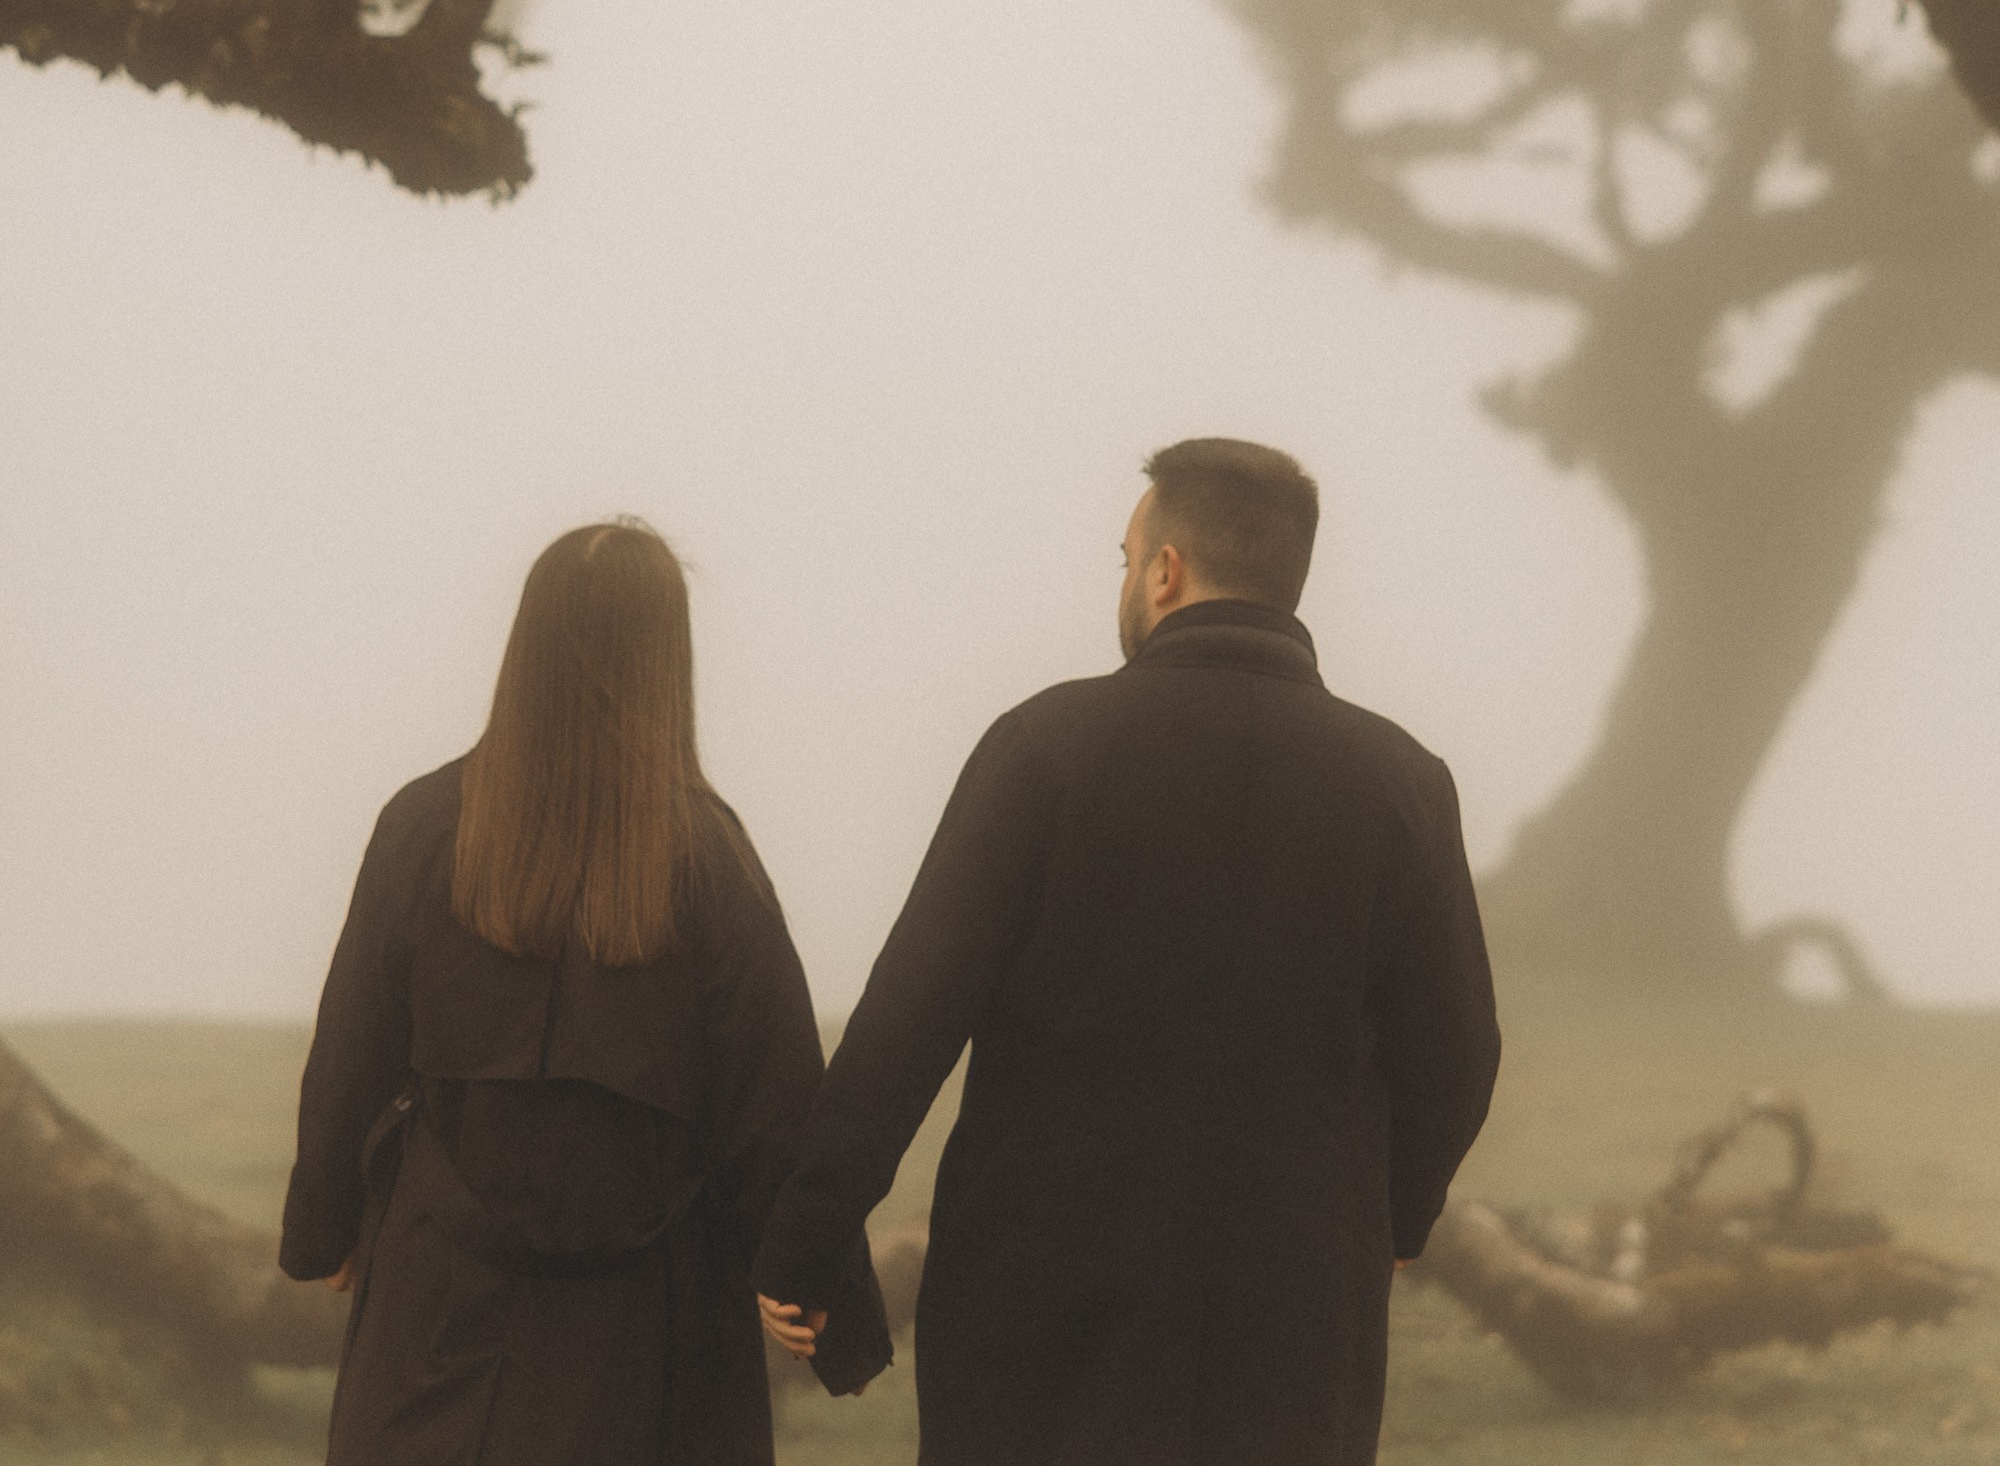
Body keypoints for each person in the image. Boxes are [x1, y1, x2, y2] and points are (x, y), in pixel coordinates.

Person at [754, 438, 1499, 1466]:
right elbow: (1457, 1054)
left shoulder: (1044, 748)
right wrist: (1396, 1217)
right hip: (1292, 1310)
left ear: (1163, 571)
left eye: (1124, 558)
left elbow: (905, 1022)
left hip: (1039, 1303)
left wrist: (805, 1241)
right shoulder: (1401, 780)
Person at [280, 518, 887, 1465]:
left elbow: (350, 1051)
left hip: (438, 1306)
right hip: (649, 1333)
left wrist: (325, 1229)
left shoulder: (424, 825)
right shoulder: (711, 859)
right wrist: (819, 1289)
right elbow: (775, 1102)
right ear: (666, 662)